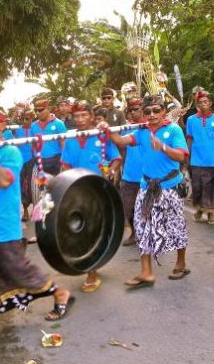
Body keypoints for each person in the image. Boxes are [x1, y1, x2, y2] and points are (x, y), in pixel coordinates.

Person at [0, 106, 73, 344]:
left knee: (19, 270)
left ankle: (59, 292)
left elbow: (3, 181)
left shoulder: (11, 154)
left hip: (4, 227)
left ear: (2, 125)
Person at [100, 94, 190, 286]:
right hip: (146, 187)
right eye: (147, 111)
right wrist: (107, 130)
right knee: (142, 228)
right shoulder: (142, 131)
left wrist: (163, 147)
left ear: (163, 111)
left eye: (156, 110)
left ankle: (180, 263)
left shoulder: (173, 130)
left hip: (170, 187)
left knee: (175, 226)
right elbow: (121, 141)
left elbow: (181, 156)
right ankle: (146, 272)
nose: (152, 114)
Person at [61, 100, 121, 292]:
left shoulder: (101, 135)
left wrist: (110, 172)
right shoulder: (70, 139)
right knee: (81, 232)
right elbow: (65, 166)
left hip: (98, 190)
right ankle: (92, 265)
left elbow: (116, 159)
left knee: (95, 230)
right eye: (76, 116)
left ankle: (92, 273)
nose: (80, 120)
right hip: (78, 192)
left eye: (84, 115)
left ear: (92, 117)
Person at [186, 91, 214, 224]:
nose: (203, 105)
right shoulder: (191, 120)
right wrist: (186, 155)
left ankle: (210, 213)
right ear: (197, 105)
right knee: (197, 187)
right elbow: (189, 140)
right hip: (195, 160)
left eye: (205, 102)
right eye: (200, 102)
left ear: (210, 103)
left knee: (210, 187)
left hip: (211, 161)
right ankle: (199, 209)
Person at [120, 97, 146, 246]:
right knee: (127, 207)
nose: (133, 112)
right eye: (130, 110)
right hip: (129, 175)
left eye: (136, 109)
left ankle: (150, 235)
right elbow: (120, 144)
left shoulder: (151, 125)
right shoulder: (126, 127)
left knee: (149, 209)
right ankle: (134, 233)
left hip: (149, 176)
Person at [30, 99, 67, 176]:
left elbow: (64, 144)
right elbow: (33, 145)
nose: (37, 113)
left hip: (56, 162)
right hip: (39, 162)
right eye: (36, 110)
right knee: (38, 187)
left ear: (48, 109)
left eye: (40, 110)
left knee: (56, 187)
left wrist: (64, 163)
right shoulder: (33, 125)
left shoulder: (59, 123)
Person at [14, 107, 35, 221]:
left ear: (32, 118)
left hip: (33, 160)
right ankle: (25, 211)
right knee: (22, 185)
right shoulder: (18, 130)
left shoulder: (35, 128)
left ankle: (37, 210)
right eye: (23, 119)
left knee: (35, 185)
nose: (25, 121)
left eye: (28, 118)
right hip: (21, 161)